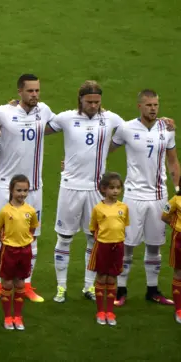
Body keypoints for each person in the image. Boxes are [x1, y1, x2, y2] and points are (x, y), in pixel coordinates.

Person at [47, 81, 124, 302]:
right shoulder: (66, 118)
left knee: (93, 239)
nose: (93, 106)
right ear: (80, 99)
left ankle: (88, 286)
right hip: (70, 186)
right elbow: (36, 128)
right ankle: (61, 288)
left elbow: (131, 130)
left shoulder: (110, 118)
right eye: (89, 101)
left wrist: (162, 124)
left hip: (95, 189)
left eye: (97, 102)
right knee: (64, 238)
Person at [0, 74, 55, 304]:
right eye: (30, 91)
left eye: (37, 90)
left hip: (34, 187)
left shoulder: (44, 111)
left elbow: (56, 126)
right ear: (19, 92)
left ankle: (26, 284)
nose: (35, 94)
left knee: (31, 238)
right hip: (5, 185)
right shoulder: (3, 112)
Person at [111, 89, 180, 306]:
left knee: (154, 245)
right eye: (149, 105)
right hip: (133, 196)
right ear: (139, 106)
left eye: (156, 105)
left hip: (159, 196)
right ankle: (121, 291)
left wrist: (178, 188)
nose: (153, 109)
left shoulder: (167, 129)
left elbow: (172, 161)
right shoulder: (126, 129)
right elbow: (106, 149)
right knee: (128, 244)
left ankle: (152, 290)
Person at [0, 174, 39, 331]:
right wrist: (7, 241)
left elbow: (32, 228)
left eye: (25, 191)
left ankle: (18, 317)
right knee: (7, 283)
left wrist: (25, 240)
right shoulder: (5, 211)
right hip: (8, 250)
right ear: (11, 190)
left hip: (25, 251)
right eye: (19, 190)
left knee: (20, 283)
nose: (22, 194)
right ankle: (7, 317)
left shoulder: (30, 211)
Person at [88, 172, 129, 327]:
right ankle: (100, 311)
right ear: (103, 189)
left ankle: (110, 311)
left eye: (118, 188)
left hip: (118, 246)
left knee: (112, 278)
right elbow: (93, 228)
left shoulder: (123, 207)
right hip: (102, 246)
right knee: (101, 277)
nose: (115, 191)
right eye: (112, 188)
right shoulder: (98, 209)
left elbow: (123, 225)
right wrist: (103, 239)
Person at [161, 180, 181, 323]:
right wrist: (176, 226)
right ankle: (179, 310)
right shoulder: (175, 200)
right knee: (179, 272)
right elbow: (164, 216)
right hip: (179, 239)